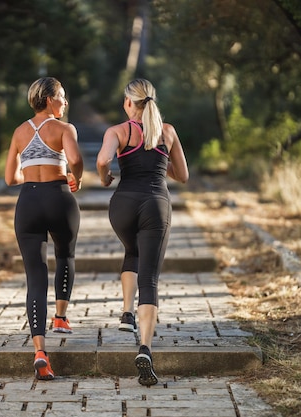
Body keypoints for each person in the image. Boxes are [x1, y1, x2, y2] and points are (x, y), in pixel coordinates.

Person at [96, 78, 189, 386]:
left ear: (128, 103)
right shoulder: (168, 132)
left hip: (122, 207)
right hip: (155, 206)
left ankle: (126, 312)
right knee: (148, 277)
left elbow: (102, 160)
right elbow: (183, 176)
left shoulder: (118, 131)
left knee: (131, 251)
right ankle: (145, 349)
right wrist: (161, 163)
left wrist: (105, 176)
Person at [5, 77, 84, 380]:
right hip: (59, 198)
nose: (65, 102)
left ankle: (40, 351)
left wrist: (33, 176)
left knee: (35, 278)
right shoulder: (65, 129)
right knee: (65, 256)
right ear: (49, 99)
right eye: (62, 97)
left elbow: (11, 178)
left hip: (28, 203)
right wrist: (75, 176)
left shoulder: (19, 132)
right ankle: (61, 317)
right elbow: (75, 159)